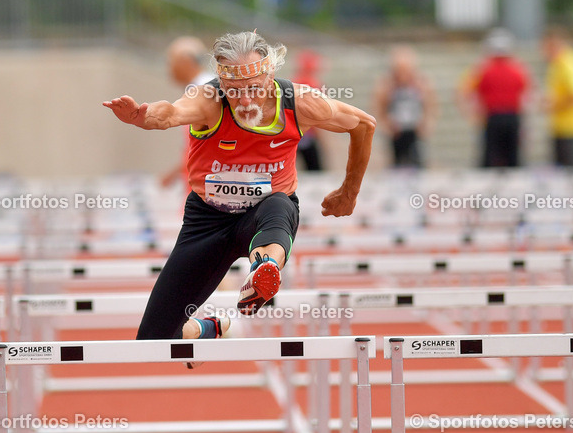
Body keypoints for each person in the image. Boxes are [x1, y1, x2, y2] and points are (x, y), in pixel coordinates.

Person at [104, 31, 375, 346]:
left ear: (270, 75)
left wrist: (349, 192)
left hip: (265, 212)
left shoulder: (299, 102)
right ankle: (208, 328)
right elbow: (172, 113)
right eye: (234, 91)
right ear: (222, 83)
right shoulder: (208, 100)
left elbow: (364, 125)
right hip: (208, 220)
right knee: (153, 340)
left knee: (278, 204)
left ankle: (265, 269)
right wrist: (143, 116)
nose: (245, 100)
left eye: (253, 89)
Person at [459, 29, 530, 168]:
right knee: (512, 157)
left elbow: (465, 91)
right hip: (511, 117)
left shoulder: (483, 69)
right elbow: (526, 94)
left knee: (490, 156)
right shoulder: (518, 69)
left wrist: (472, 113)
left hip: (493, 117)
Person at [159, 36, 216, 189]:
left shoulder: (205, 90)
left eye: (171, 61)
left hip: (207, 181)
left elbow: (212, 144)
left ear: (185, 61)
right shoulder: (196, 88)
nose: (169, 68)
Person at [374, 46, 437, 169]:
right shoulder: (387, 84)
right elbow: (379, 107)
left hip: (414, 129)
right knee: (396, 163)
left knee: (417, 160)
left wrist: (426, 123)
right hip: (396, 130)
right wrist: (387, 125)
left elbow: (430, 105)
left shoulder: (421, 82)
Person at [543, 28, 573, 170]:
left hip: (572, 127)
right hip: (560, 126)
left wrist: (553, 106)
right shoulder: (557, 63)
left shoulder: (569, 63)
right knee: (561, 171)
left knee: (570, 172)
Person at [293, 50, 325, 171]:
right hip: (307, 133)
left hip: (295, 131)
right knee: (315, 169)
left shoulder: (294, 81)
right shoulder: (313, 84)